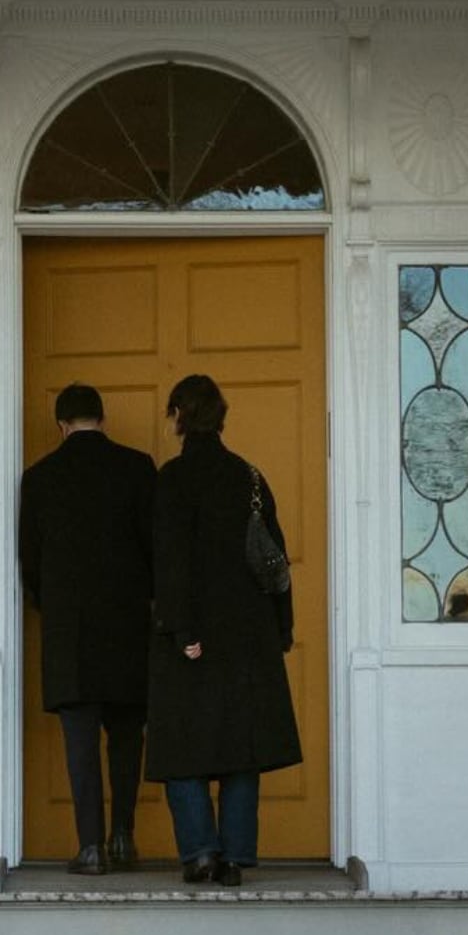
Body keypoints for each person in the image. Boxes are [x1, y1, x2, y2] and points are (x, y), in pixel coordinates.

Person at [147, 374, 302, 887]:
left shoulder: (172, 479)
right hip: (249, 633)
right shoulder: (250, 478)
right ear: (222, 417)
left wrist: (181, 628)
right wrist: (281, 629)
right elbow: (275, 561)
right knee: (242, 747)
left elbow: (169, 563)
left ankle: (201, 853)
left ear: (178, 416)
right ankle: (235, 857)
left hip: (193, 633)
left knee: (183, 745)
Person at [18, 382, 157, 874]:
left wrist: (49, 604)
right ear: (102, 418)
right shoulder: (138, 468)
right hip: (127, 626)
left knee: (80, 742)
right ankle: (123, 836)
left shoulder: (39, 479)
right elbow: (156, 549)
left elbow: (29, 562)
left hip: (69, 630)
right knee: (125, 736)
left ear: (61, 425)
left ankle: (91, 847)